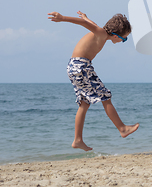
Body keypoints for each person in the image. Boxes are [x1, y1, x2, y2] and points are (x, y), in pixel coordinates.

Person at [48, 11, 139, 151]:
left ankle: (78, 140)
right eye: (124, 39)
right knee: (106, 97)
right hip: (81, 66)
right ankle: (122, 129)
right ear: (116, 35)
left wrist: (86, 17)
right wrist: (62, 18)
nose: (123, 41)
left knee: (84, 103)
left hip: (74, 66)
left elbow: (90, 24)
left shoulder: (101, 33)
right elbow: (85, 24)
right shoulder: (101, 33)